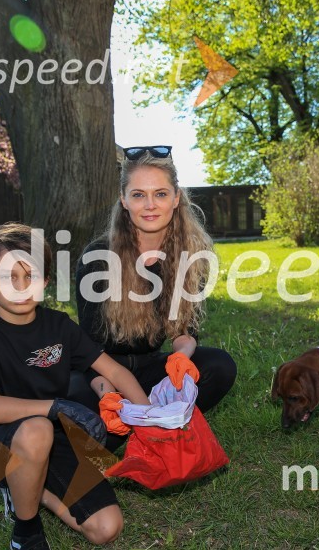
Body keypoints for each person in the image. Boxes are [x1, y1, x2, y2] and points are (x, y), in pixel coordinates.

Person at [0, 223, 150, 549]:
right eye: (7, 276)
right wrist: (54, 407)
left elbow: (115, 371)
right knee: (37, 428)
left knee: (106, 527)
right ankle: (26, 531)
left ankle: (29, 487)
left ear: (46, 281)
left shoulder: (58, 326)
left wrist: (147, 416)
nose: (20, 287)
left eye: (31, 276)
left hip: (53, 440)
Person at [71, 145, 237, 421]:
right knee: (73, 397)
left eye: (160, 194)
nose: (150, 205)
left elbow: (185, 331)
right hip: (102, 374)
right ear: (124, 200)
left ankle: (157, 420)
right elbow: (89, 349)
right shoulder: (98, 258)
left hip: (151, 367)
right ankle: (151, 420)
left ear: (176, 198)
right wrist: (111, 395)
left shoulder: (191, 257)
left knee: (219, 365)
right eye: (138, 195)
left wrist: (182, 356)